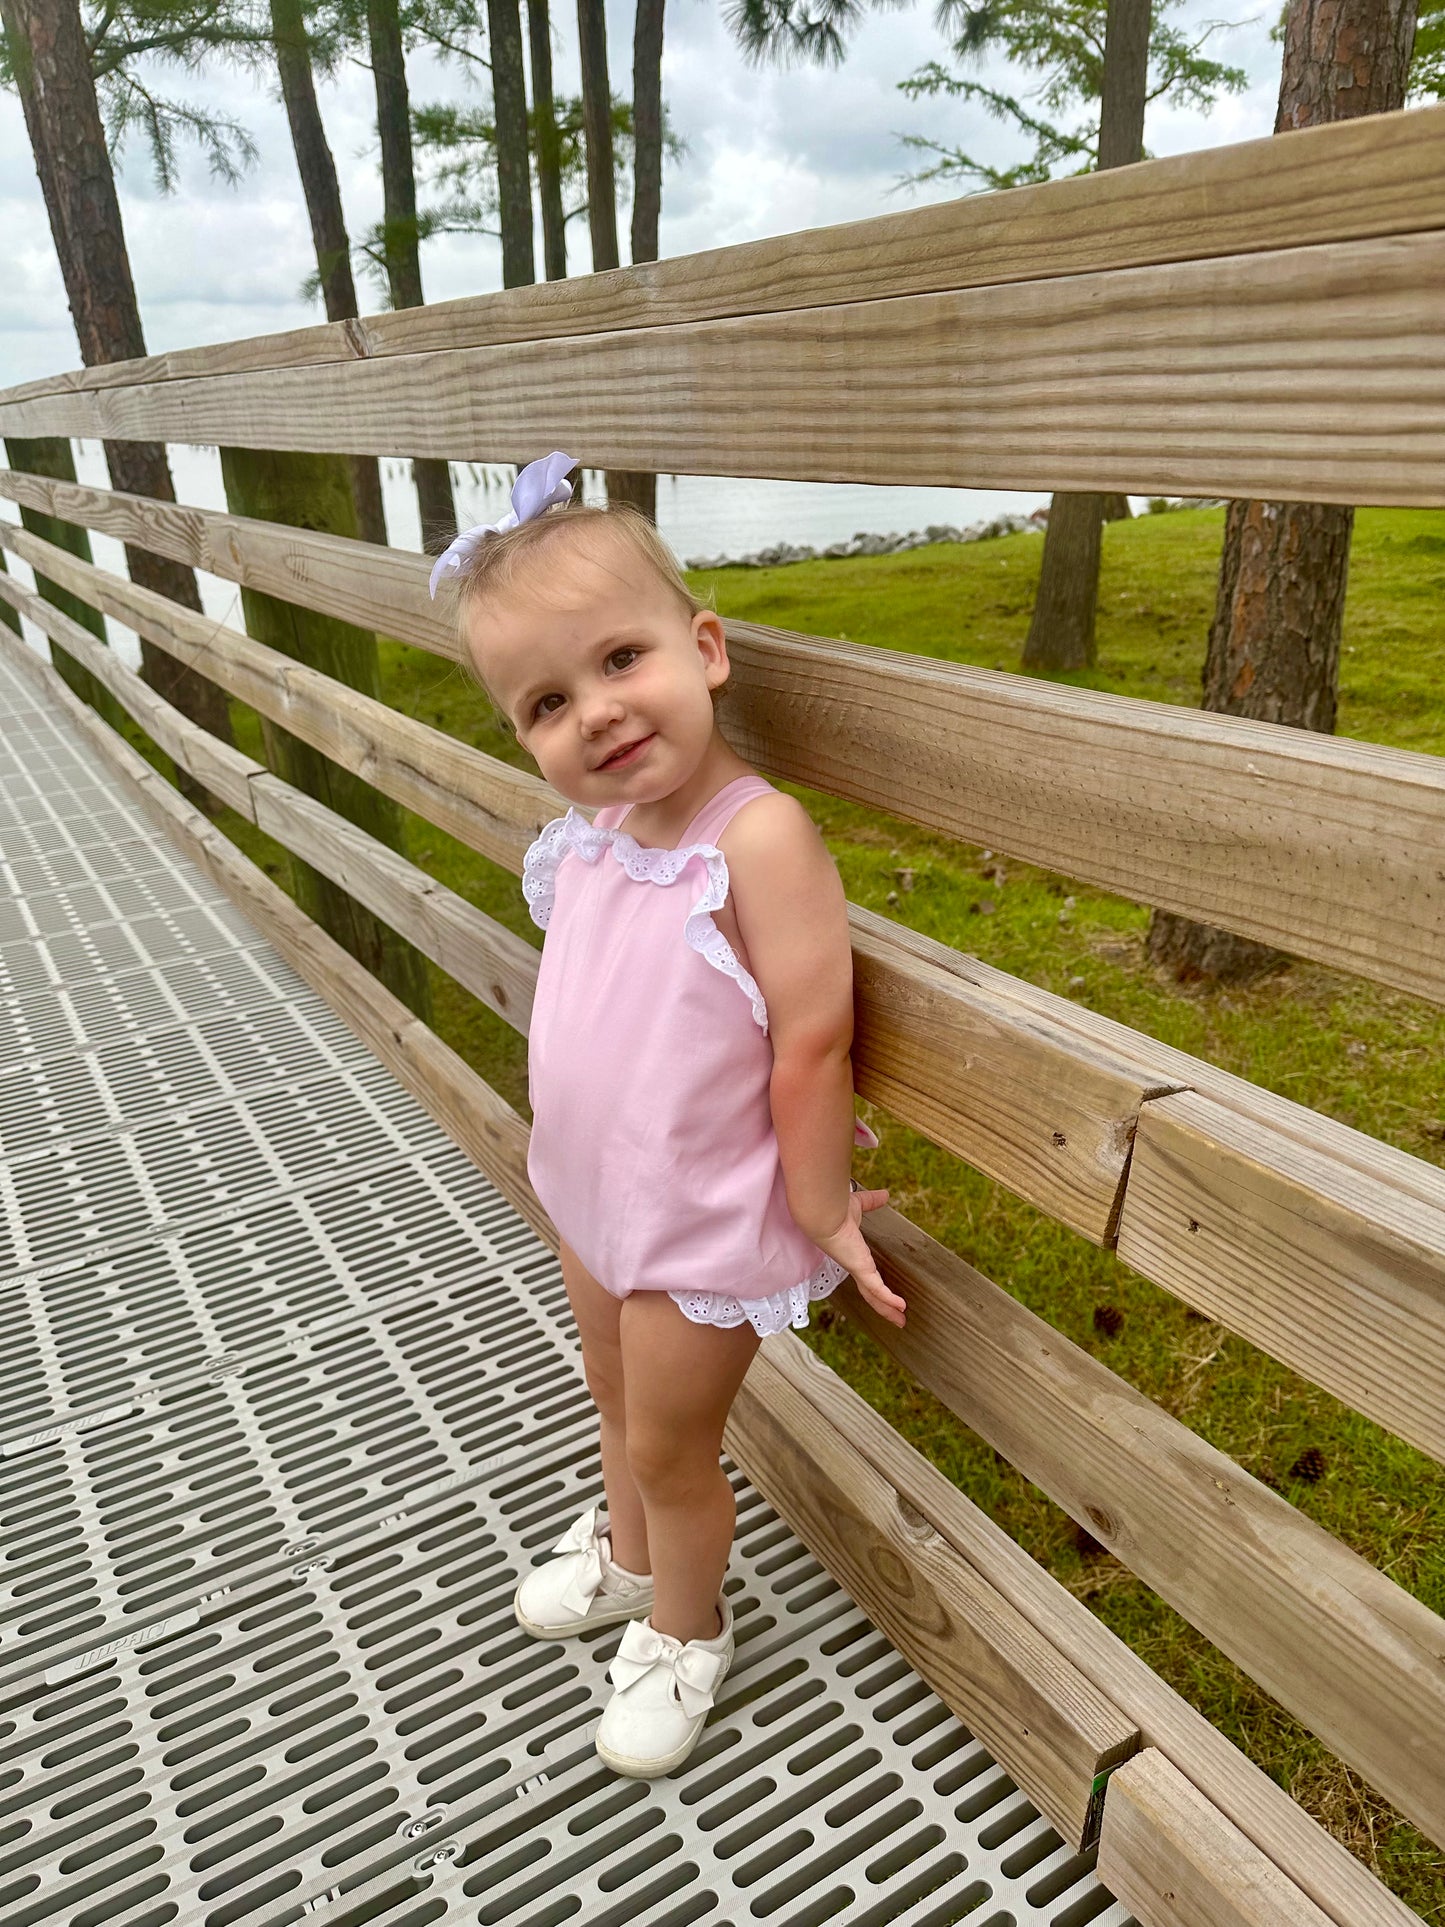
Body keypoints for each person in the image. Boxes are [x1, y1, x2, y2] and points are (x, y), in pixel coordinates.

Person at [429, 450, 905, 1779]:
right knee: (606, 1389)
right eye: (544, 702)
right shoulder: (592, 834)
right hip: (594, 1192)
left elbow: (811, 1038)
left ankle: (687, 1629)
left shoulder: (755, 840)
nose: (592, 714)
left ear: (703, 649)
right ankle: (628, 1556)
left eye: (619, 660)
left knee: (669, 1439)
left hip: (698, 1216)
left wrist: (816, 1207)